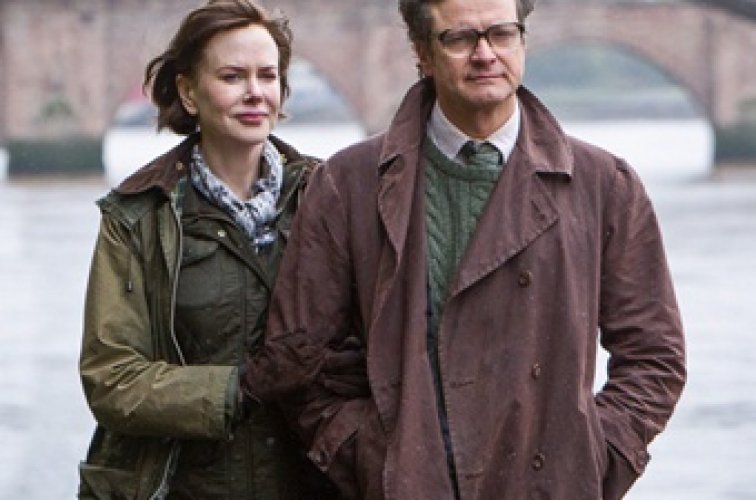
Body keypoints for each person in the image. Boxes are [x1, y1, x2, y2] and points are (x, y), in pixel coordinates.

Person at [241, 0, 687, 499]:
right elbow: (297, 358)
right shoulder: (347, 184)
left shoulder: (604, 185)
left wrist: (594, 457)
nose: (485, 54)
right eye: (460, 38)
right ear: (422, 52)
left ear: (522, 41)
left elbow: (654, 355)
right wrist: (372, 458)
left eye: (502, 33)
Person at [77, 1, 347, 498]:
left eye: (268, 76)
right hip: (178, 486)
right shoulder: (139, 215)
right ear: (188, 92)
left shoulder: (331, 198)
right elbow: (111, 378)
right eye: (232, 76)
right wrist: (238, 389)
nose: (255, 92)